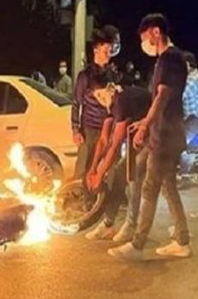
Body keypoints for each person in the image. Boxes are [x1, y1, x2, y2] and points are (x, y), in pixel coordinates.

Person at [108, 13, 191, 261]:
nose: (144, 44)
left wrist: (146, 125)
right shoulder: (173, 58)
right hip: (168, 133)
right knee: (168, 187)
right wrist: (145, 122)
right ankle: (182, 241)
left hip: (164, 136)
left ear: (156, 32)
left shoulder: (168, 58)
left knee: (149, 187)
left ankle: (137, 244)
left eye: (145, 37)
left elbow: (162, 96)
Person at [83, 80, 152, 243]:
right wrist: (93, 169)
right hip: (139, 135)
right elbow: (103, 140)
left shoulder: (120, 101)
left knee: (133, 175)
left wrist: (100, 175)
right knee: (121, 175)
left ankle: (131, 226)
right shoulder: (110, 104)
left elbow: (115, 144)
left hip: (157, 133)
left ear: (109, 89)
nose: (99, 98)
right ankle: (108, 224)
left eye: (100, 93)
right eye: (96, 96)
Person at [71, 28, 117, 180]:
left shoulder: (112, 75)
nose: (108, 55)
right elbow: (76, 103)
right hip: (89, 129)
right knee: (83, 169)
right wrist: (76, 130)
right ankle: (79, 194)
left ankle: (105, 195)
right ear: (96, 50)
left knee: (107, 170)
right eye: (105, 51)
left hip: (108, 129)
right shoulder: (85, 76)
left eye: (110, 51)